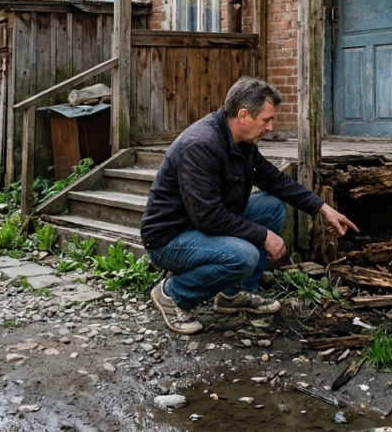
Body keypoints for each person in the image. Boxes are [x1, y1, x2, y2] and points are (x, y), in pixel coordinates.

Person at [142, 76, 358, 335]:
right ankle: (173, 295)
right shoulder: (201, 145)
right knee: (243, 255)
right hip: (170, 239)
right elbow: (208, 217)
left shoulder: (241, 143)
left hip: (201, 226)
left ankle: (234, 295)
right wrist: (264, 236)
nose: (270, 127)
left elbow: (276, 180)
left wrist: (323, 209)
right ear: (243, 115)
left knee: (271, 207)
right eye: (266, 119)